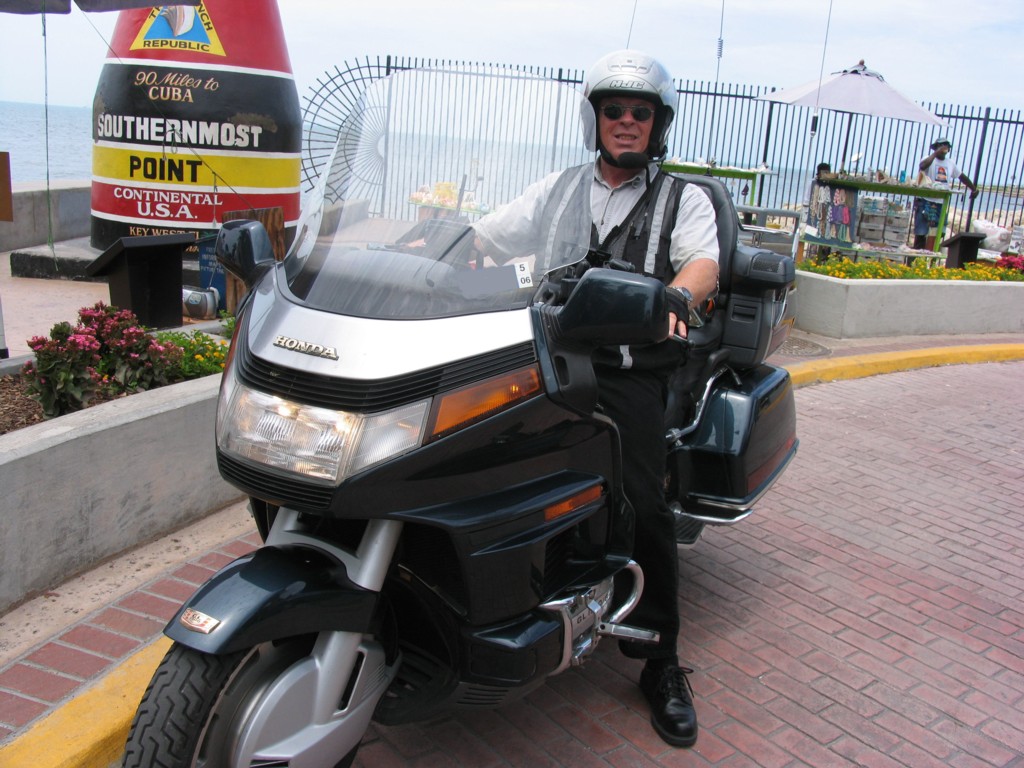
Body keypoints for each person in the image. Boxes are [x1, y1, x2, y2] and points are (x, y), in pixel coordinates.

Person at [473, 49, 720, 749]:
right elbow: (488, 236)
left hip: (630, 371)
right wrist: (437, 258)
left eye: (640, 113)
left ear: (657, 123)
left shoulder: (684, 199)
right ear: (597, 119)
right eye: (615, 111)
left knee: (642, 499)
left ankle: (661, 660)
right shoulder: (557, 188)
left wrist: (678, 293)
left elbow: (704, 264)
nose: (627, 123)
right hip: (546, 356)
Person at [913, 137, 979, 249]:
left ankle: (929, 256)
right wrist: (935, 154)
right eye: (940, 145)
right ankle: (914, 261)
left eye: (946, 145)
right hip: (925, 200)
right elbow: (922, 166)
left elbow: (961, 176)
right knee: (921, 233)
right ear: (935, 147)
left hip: (940, 202)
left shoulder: (950, 163)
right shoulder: (929, 159)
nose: (943, 147)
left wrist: (973, 188)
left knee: (940, 232)